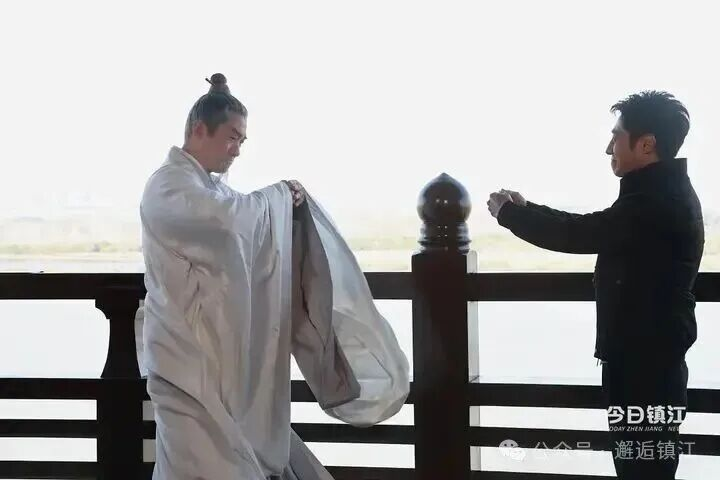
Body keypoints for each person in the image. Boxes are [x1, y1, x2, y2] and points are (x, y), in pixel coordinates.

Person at [140, 73, 409, 479]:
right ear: (199, 130)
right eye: (232, 138)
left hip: (212, 353)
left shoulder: (207, 188)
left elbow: (241, 220)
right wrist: (280, 197)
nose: (237, 150)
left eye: (242, 141)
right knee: (198, 458)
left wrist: (286, 203)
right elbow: (228, 223)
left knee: (218, 457)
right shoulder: (168, 186)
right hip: (184, 354)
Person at [486, 91, 704, 479]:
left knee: (643, 470)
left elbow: (580, 234)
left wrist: (511, 215)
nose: (608, 148)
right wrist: (527, 209)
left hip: (646, 367)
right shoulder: (657, 193)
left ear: (646, 144)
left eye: (616, 137)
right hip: (647, 360)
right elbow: (594, 226)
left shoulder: (655, 202)